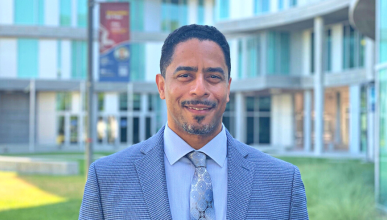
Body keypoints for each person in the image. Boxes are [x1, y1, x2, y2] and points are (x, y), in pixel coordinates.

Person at [79, 24, 309, 220]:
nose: (200, 88)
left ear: (228, 88)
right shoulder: (106, 179)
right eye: (185, 75)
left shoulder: (283, 183)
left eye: (213, 77)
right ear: (161, 86)